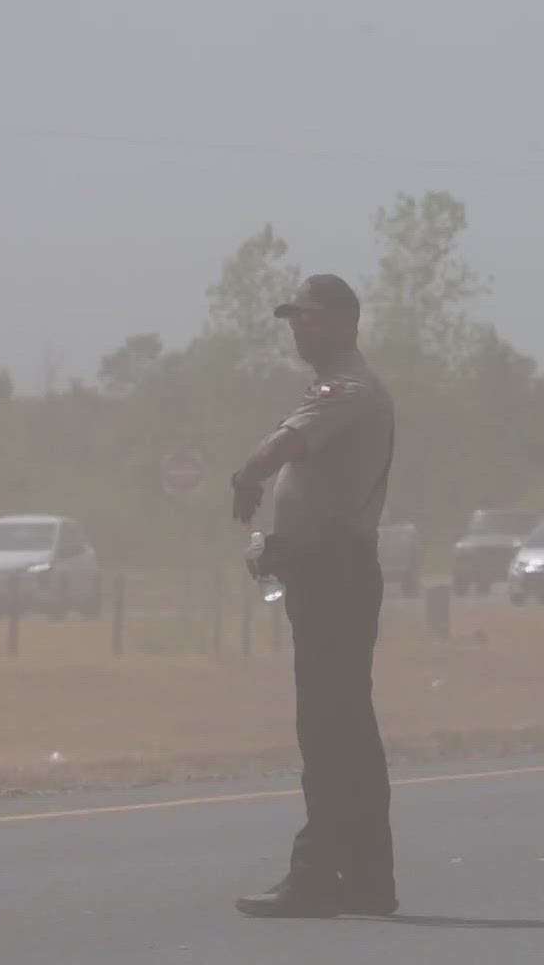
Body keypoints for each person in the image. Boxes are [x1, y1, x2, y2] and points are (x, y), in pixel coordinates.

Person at [229, 273, 398, 919]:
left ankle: (317, 876)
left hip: (336, 577)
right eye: (295, 318)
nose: (301, 328)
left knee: (329, 730)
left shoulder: (350, 389)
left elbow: (282, 447)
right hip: (327, 574)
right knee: (347, 729)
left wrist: (245, 476)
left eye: (312, 318)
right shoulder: (342, 389)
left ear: (346, 322)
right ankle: (365, 878)